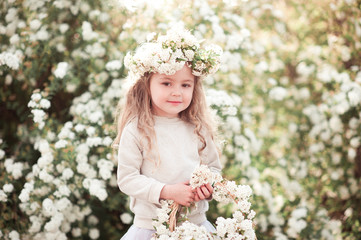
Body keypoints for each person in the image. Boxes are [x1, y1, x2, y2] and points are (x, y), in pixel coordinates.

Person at [113, 24, 223, 239]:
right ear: (147, 85)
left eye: (185, 85)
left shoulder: (198, 127)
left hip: (195, 227)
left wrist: (208, 186)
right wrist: (166, 191)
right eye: (166, 83)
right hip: (151, 228)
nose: (176, 92)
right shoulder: (137, 129)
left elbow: (214, 169)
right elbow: (127, 178)